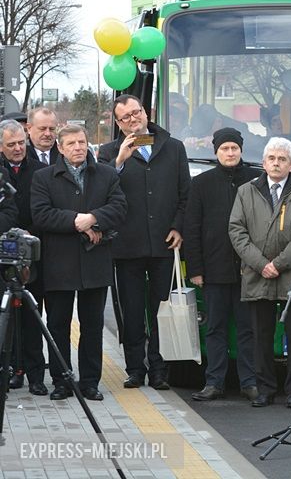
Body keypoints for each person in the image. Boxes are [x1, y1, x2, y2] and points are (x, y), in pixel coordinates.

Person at [98, 94, 191, 390]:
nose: (132, 120)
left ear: (146, 112)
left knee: (161, 309)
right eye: (124, 118)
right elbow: (100, 194)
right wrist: (120, 162)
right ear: (117, 123)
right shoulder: (108, 153)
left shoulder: (173, 147)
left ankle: (160, 370)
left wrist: (178, 227)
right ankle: (135, 368)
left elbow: (185, 194)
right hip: (128, 246)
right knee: (133, 311)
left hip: (165, 243)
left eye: (135, 113)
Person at [30, 125, 127, 401]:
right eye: (71, 143)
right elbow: (41, 214)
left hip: (95, 263)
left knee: (92, 325)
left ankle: (90, 382)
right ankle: (62, 380)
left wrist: (94, 217)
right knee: (58, 324)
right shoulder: (43, 177)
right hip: (58, 263)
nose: (77, 148)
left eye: (82, 142)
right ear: (60, 148)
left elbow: (119, 208)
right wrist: (77, 221)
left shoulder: (106, 174)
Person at [228, 137, 291, 408]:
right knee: (261, 336)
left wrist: (278, 264)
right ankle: (265, 388)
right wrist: (260, 264)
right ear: (264, 162)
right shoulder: (246, 191)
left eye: (282, 159)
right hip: (257, 274)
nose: (276, 163)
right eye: (271, 158)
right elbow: (236, 230)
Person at [183, 128, 262, 402]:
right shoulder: (202, 183)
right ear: (215, 152)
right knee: (215, 327)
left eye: (234, 149)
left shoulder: (256, 180)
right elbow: (191, 228)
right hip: (213, 270)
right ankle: (214, 381)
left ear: (241, 150)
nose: (230, 153)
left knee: (246, 328)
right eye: (224, 149)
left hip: (249, 269)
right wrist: (195, 269)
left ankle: (249, 382)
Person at [0, 119, 46, 395]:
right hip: (3, 254)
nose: (18, 148)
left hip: (32, 254)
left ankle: (36, 374)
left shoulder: (40, 171)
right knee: (8, 319)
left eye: (21, 143)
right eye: (11, 145)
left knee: (32, 315)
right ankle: (12, 370)